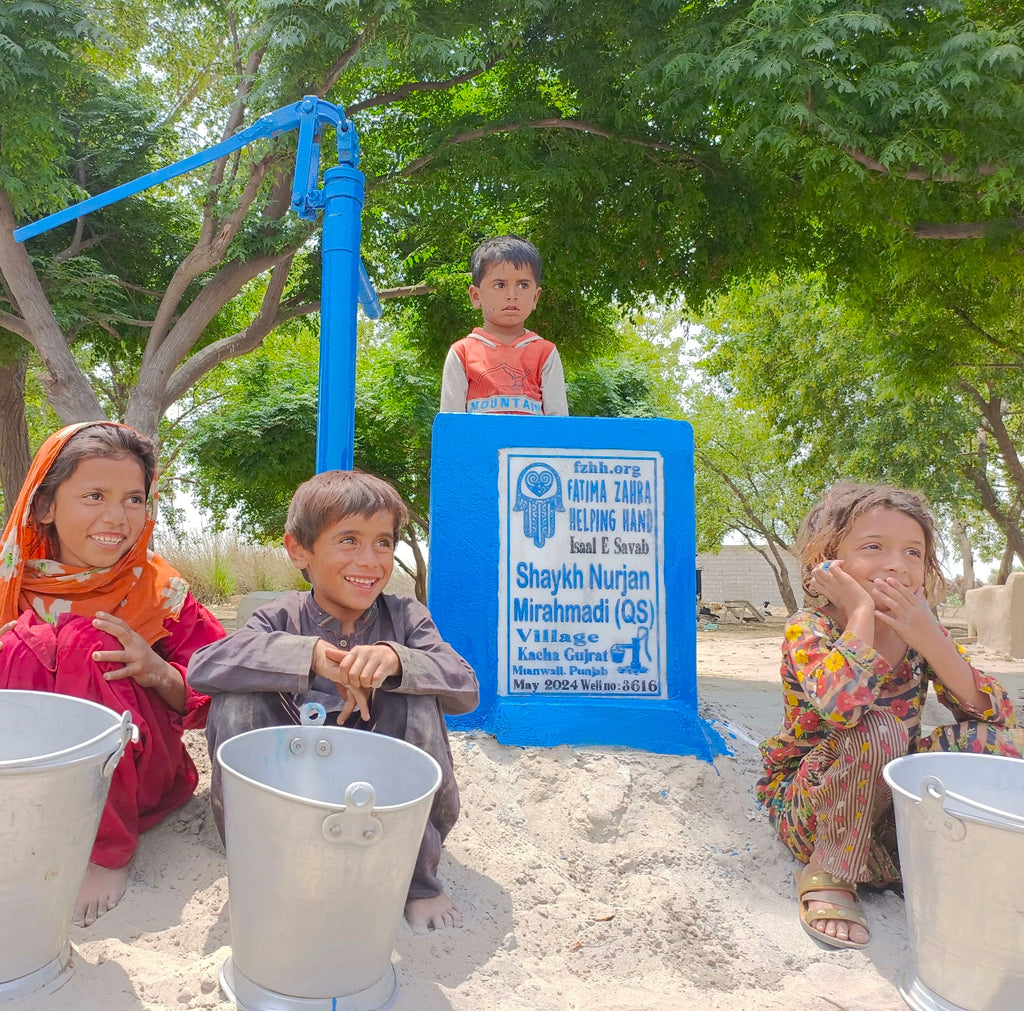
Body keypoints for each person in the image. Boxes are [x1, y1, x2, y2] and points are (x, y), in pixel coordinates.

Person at [188, 470, 479, 931]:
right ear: (299, 549)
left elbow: (465, 687)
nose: (370, 560)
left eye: (383, 543)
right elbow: (204, 667)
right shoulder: (279, 615)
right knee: (235, 697)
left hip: (382, 800)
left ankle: (415, 880)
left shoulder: (406, 617)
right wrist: (315, 657)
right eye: (349, 540)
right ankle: (260, 865)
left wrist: (394, 661)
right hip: (293, 792)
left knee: (416, 695)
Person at [756, 482, 1023, 950]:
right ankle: (832, 871)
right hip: (814, 807)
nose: (896, 564)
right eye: (873, 547)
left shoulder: (920, 628)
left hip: (891, 812)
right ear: (829, 559)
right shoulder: (811, 629)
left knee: (998, 744)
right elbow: (842, 707)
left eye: (913, 552)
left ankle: (925, 856)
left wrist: (934, 642)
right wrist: (860, 611)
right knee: (876, 726)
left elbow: (995, 718)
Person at [0, 422, 225, 927]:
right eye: (94, 495)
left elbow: (217, 686)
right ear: (44, 506)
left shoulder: (160, 590)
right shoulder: (11, 583)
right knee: (22, 640)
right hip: (29, 784)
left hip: (139, 780)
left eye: (133, 499)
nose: (116, 517)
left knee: (86, 642)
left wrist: (155, 669)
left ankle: (105, 851)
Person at [439, 234, 568, 416]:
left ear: (535, 297)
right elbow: (452, 426)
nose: (512, 295)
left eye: (523, 285)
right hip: (478, 445)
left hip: (530, 446)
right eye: (500, 285)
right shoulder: (462, 354)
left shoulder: (545, 353)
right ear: (476, 296)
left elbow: (559, 424)